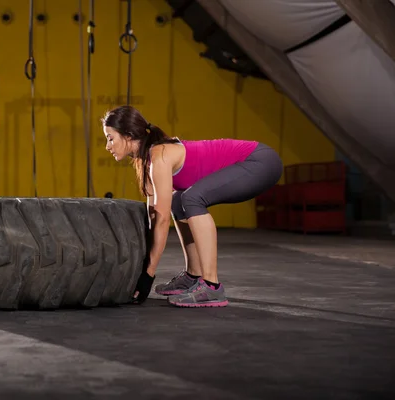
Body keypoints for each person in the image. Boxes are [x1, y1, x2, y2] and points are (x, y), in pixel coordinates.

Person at [101, 105, 283, 307]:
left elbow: (162, 221)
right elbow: (154, 217)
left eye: (110, 138)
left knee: (191, 198)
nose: (107, 146)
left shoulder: (159, 155)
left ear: (128, 136)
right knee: (179, 200)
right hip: (257, 162)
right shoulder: (147, 163)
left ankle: (212, 286)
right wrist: (144, 267)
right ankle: (193, 275)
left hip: (261, 161)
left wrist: (148, 274)